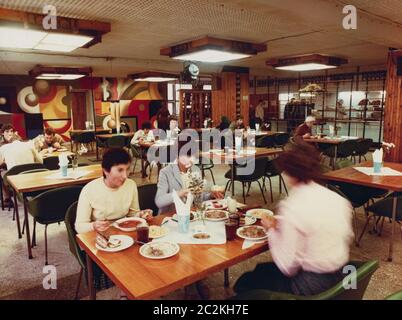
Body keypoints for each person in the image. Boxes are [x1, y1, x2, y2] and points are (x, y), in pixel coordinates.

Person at [234, 143, 354, 297]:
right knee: (261, 270)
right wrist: (283, 223)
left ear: (290, 174)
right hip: (343, 275)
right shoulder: (338, 200)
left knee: (246, 281)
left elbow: (287, 266)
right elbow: (321, 225)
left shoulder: (292, 206)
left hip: (311, 285)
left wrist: (271, 229)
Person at [75, 148, 152, 234]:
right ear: (106, 170)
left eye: (128, 169)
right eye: (120, 170)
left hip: (124, 232)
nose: (125, 176)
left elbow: (132, 214)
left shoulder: (131, 185)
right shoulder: (89, 190)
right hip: (101, 235)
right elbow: (79, 226)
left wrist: (141, 215)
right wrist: (93, 225)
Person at [155, 145, 223, 215]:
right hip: (171, 216)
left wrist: (210, 195)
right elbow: (159, 201)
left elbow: (198, 197)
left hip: (191, 215)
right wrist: (179, 193)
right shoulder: (166, 172)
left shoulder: (195, 169)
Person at [0, 140, 43, 206]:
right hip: (33, 181)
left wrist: (7, 162)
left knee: (2, 173)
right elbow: (40, 161)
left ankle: (7, 199)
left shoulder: (4, 147)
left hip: (16, 184)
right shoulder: (30, 145)